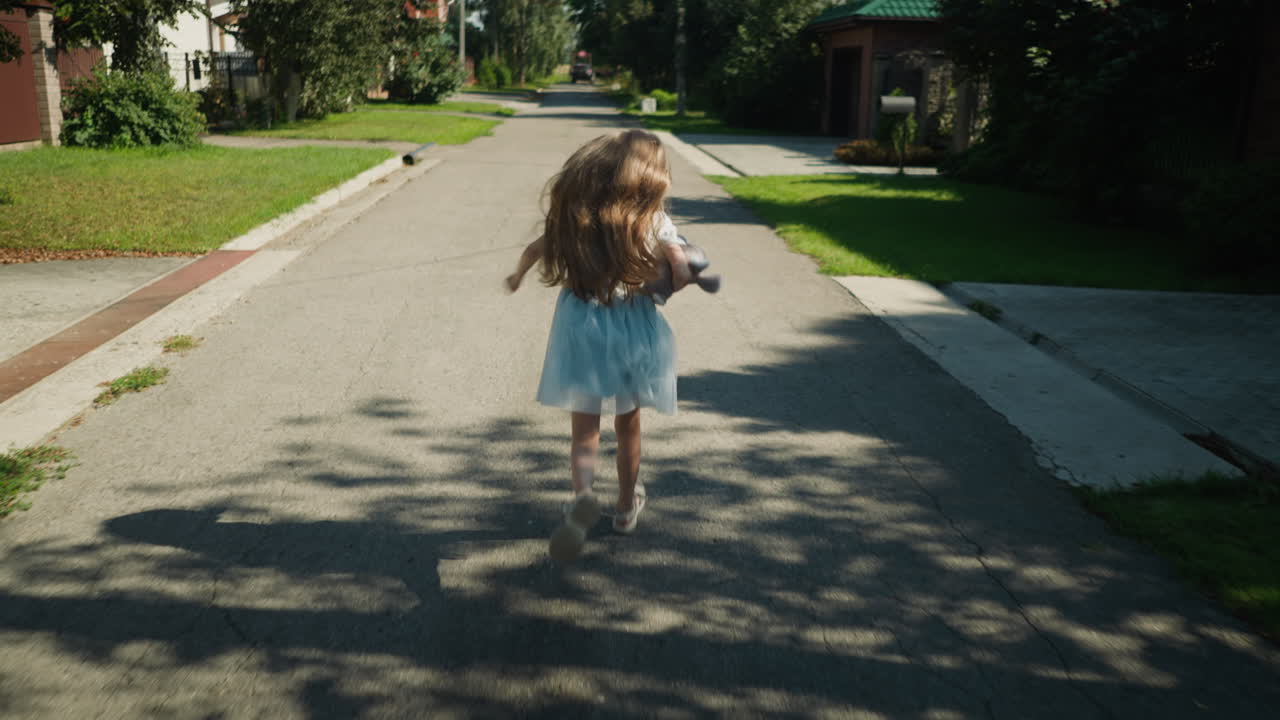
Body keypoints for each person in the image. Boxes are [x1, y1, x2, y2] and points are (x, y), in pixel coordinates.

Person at [505, 129, 692, 564]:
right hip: (630, 326)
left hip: (582, 325)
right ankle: (626, 507)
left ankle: (583, 496)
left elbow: (534, 250)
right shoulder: (653, 221)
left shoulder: (577, 219)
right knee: (628, 424)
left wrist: (516, 277)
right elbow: (682, 271)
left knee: (584, 427)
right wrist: (663, 284)